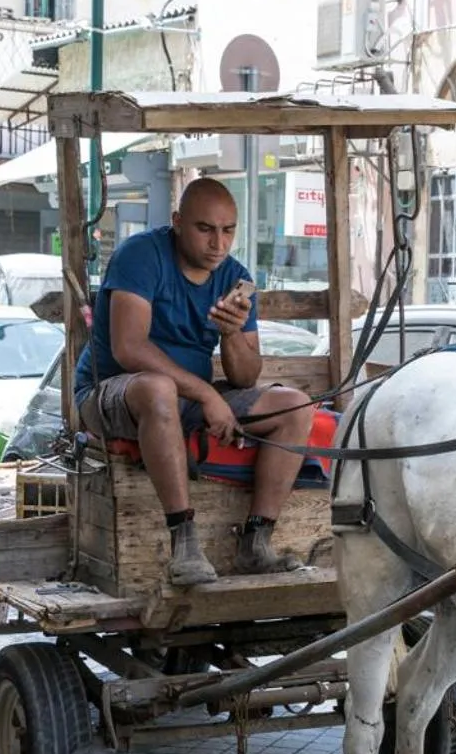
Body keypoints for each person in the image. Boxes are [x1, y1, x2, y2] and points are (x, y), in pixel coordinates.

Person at [73, 178, 315, 585]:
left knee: (296, 406)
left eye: (228, 231)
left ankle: (256, 542)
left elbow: (244, 376)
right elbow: (129, 348)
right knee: (157, 388)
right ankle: (183, 543)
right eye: (205, 229)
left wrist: (231, 333)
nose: (218, 243)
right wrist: (206, 394)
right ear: (177, 222)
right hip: (110, 393)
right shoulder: (141, 255)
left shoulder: (235, 278)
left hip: (183, 399)